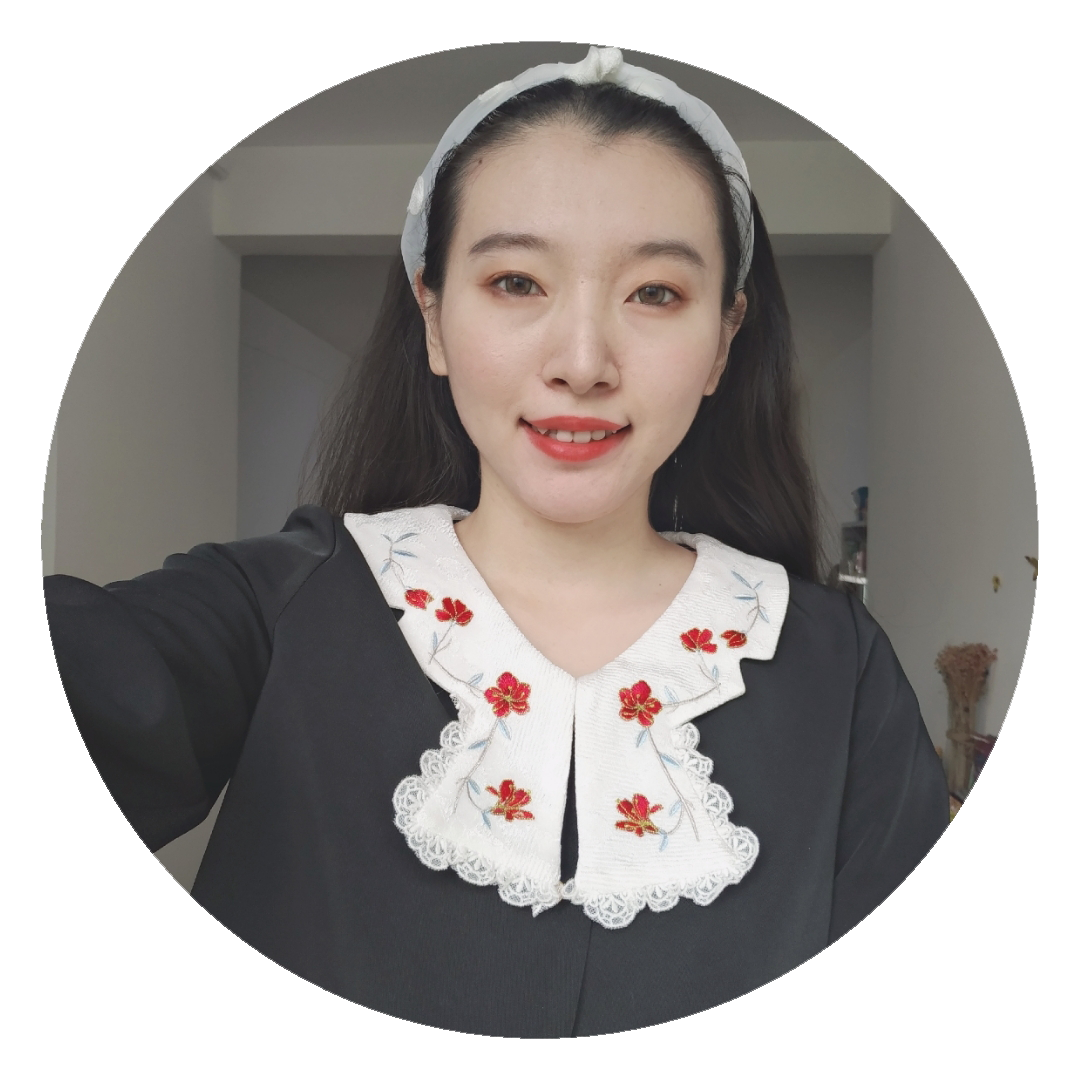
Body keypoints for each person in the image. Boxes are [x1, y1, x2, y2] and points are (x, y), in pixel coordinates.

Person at [44, 47, 949, 1037]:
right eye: (517, 281)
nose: (582, 362)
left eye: (655, 293)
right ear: (433, 317)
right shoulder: (277, 605)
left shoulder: (839, 669)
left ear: (724, 340)